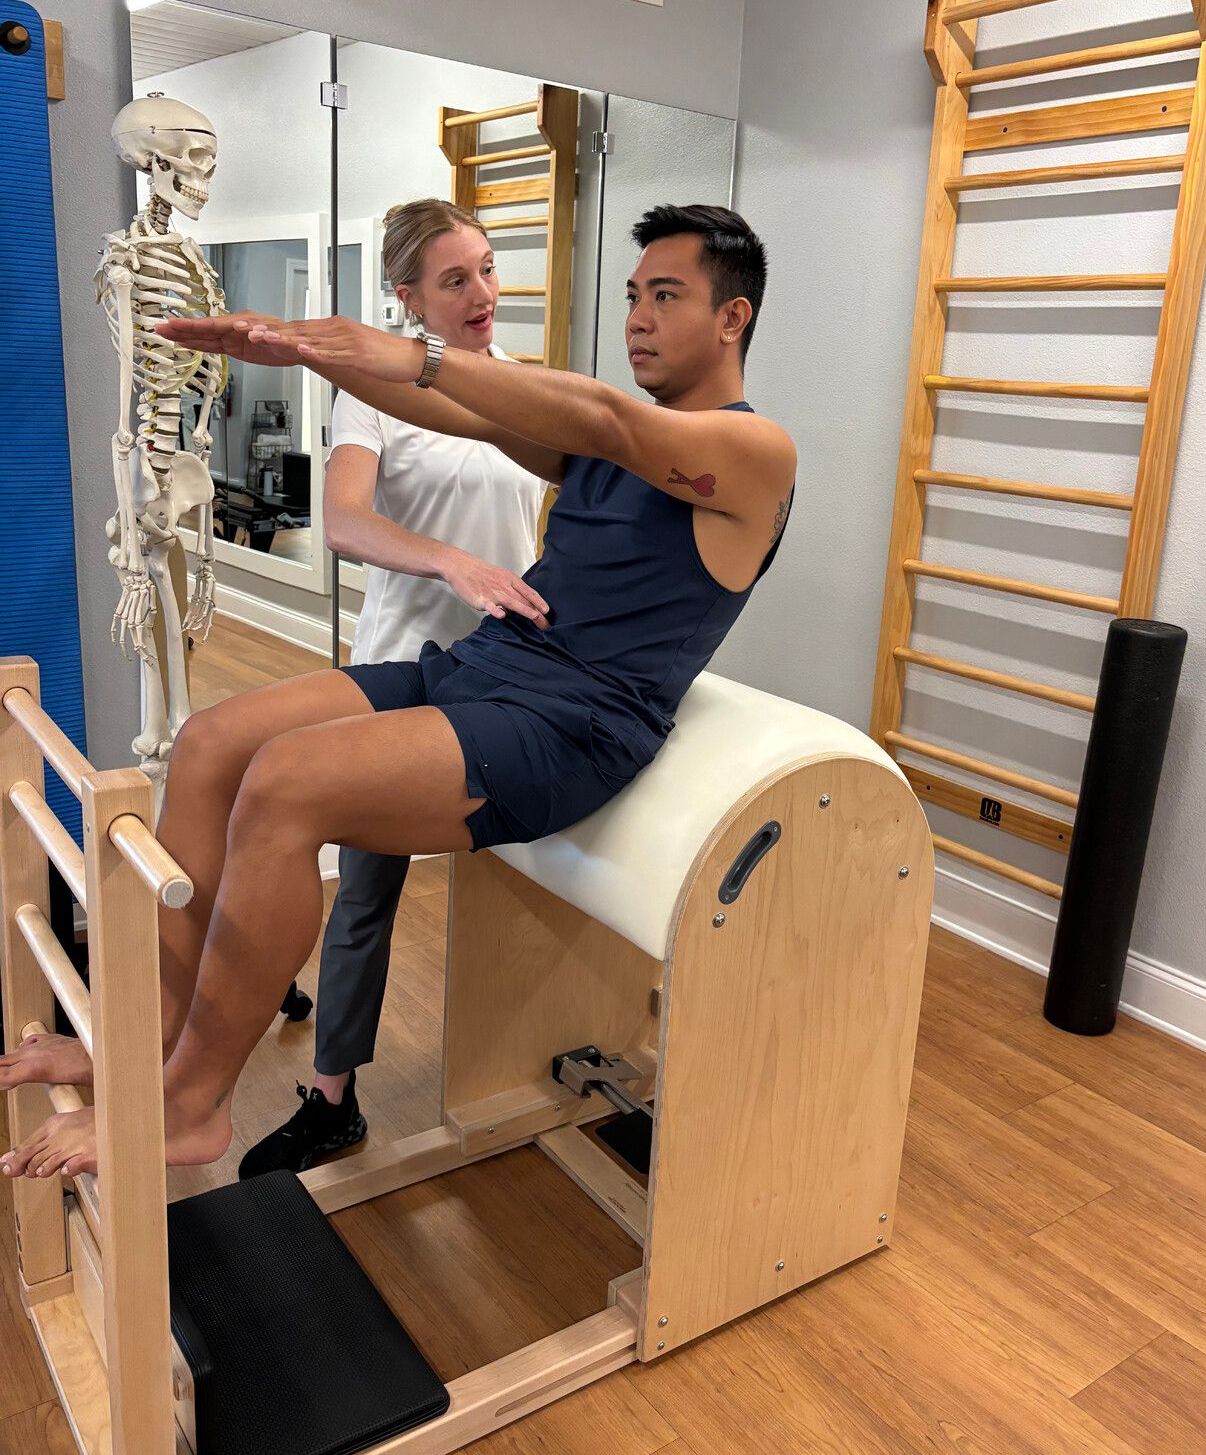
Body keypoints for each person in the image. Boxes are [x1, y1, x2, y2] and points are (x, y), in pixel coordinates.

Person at [0, 204, 796, 1180]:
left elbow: (601, 414)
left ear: (733, 318)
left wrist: (407, 351)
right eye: (633, 295)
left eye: (663, 295)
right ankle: (141, 1045)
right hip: (481, 673)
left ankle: (189, 1103)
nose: (637, 316)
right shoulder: (600, 452)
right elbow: (462, 412)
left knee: (288, 783)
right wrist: (297, 350)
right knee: (211, 743)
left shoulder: (757, 457)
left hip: (571, 728)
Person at [241, 198, 550, 1178]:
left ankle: (526, 1064)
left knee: (538, 877)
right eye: (455, 279)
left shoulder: (523, 387)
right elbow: (343, 521)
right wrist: (449, 563)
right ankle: (333, 1097)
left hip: (510, 678)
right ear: (408, 296)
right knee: (369, 890)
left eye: (489, 271)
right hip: (406, 667)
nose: (483, 295)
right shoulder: (373, 395)